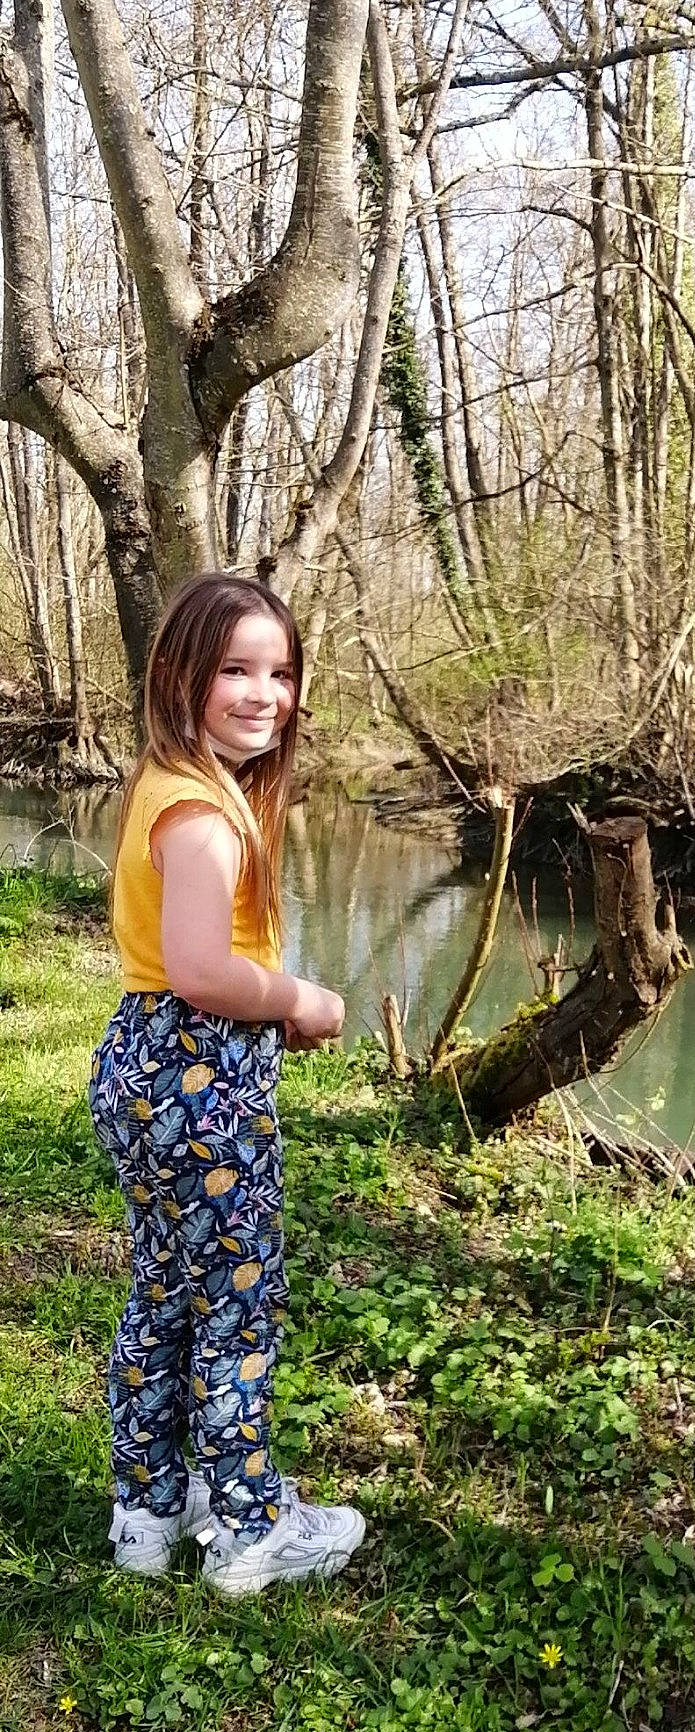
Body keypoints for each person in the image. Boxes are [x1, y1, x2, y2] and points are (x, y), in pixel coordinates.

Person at [88, 572, 367, 1598]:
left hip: (147, 1065)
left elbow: (180, 974)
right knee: (239, 1303)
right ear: (180, 676)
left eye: (281, 671)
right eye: (236, 669)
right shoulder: (203, 812)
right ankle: (252, 1528)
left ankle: (150, 1511)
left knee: (165, 1289)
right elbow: (203, 970)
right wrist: (302, 998)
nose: (264, 692)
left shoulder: (169, 785)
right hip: (198, 1088)